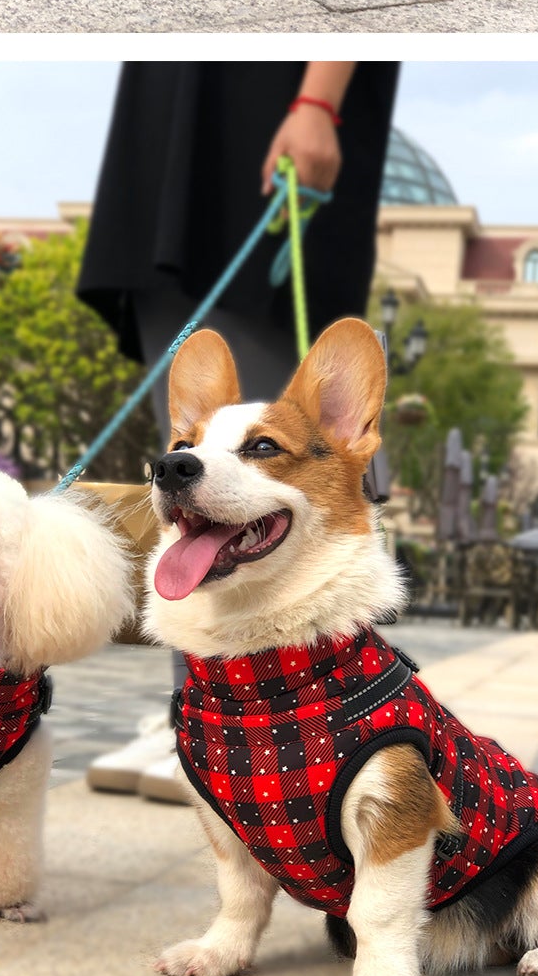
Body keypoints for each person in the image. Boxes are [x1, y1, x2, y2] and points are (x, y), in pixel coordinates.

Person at [77, 58, 398, 793]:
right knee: (203, 476)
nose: (176, 458)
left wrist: (319, 97)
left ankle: (269, 721)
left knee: (255, 439)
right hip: (165, 138)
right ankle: (193, 710)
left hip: (261, 120)